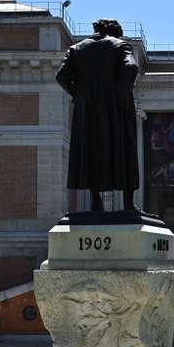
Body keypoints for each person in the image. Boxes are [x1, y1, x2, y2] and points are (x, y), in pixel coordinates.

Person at [56, 18, 140, 211]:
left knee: (91, 150)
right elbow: (132, 67)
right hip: (115, 107)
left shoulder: (77, 49)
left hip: (87, 109)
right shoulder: (120, 45)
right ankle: (128, 204)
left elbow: (61, 76)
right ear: (115, 32)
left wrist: (77, 93)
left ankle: (96, 201)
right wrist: (121, 92)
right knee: (125, 149)